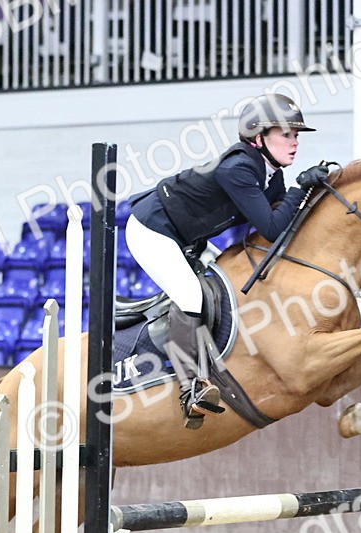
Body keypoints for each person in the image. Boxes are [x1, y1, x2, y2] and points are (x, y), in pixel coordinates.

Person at [126, 93, 331, 429]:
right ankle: (190, 387)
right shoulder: (238, 169)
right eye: (286, 135)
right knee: (191, 296)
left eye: (296, 136)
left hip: (187, 238)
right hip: (152, 230)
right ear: (258, 137)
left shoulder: (271, 174)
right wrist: (300, 188)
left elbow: (283, 225)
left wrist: (312, 193)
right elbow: (271, 225)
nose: (295, 143)